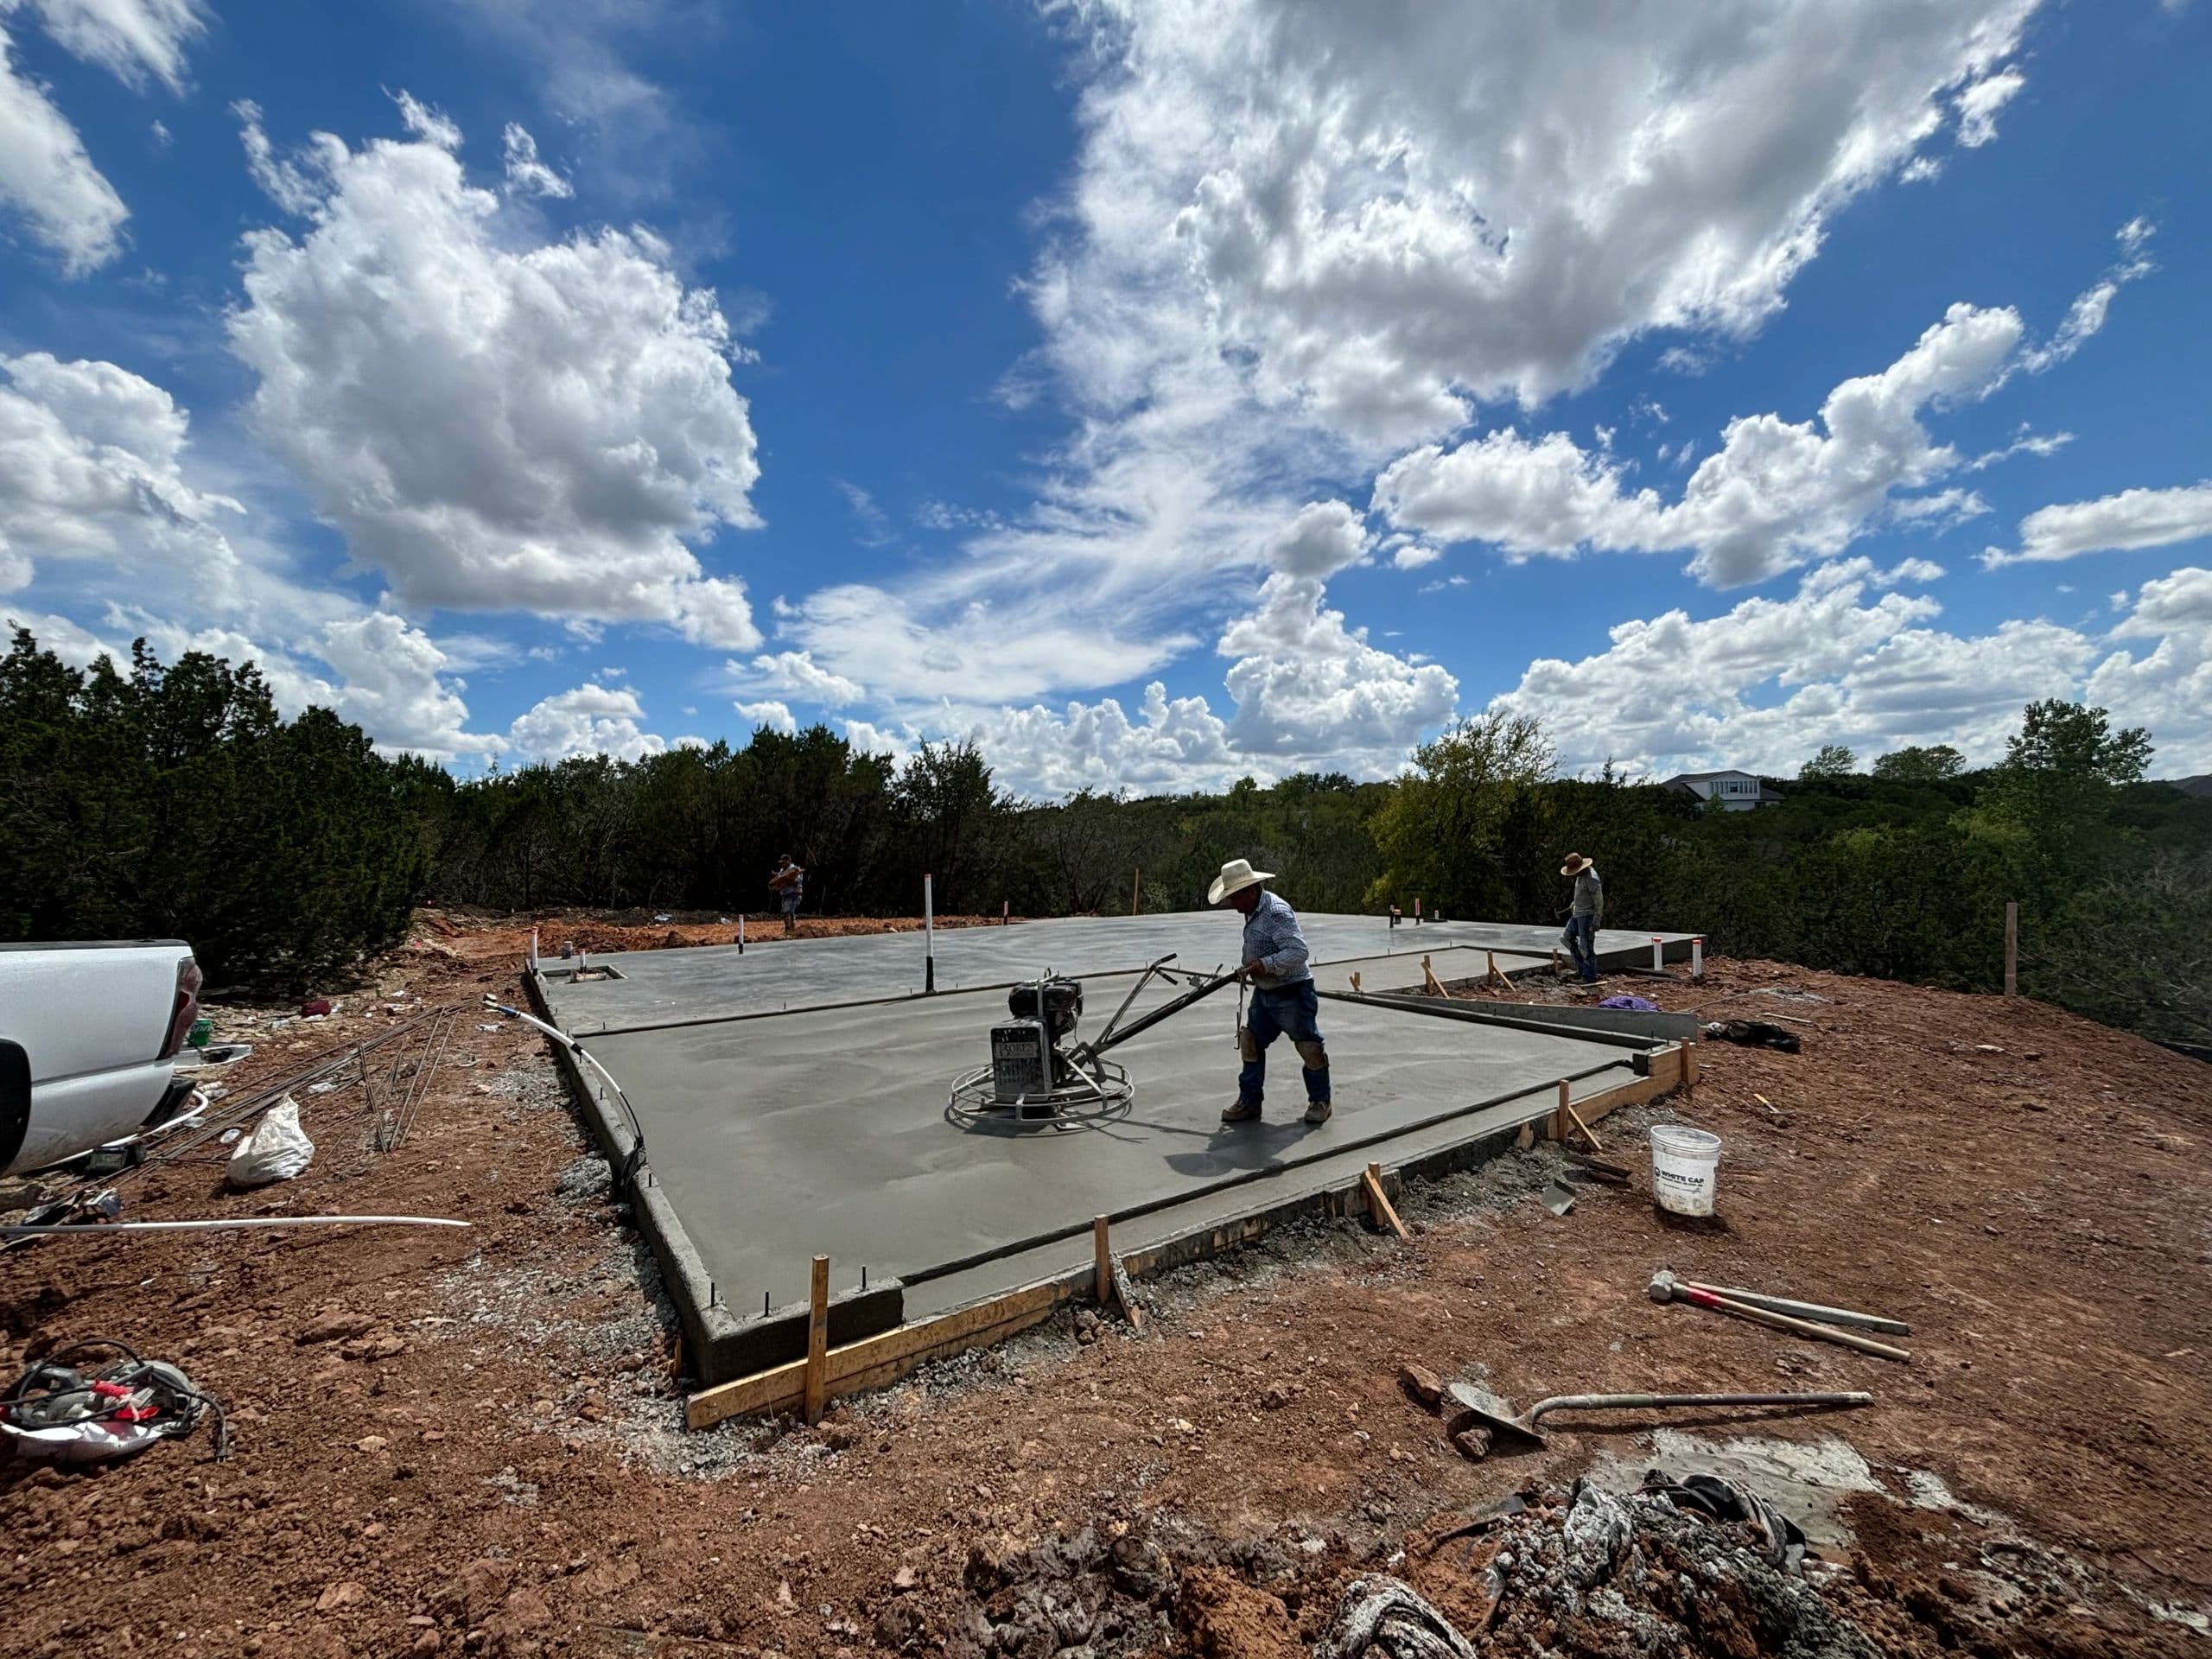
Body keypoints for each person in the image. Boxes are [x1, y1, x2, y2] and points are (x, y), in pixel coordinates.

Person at [1208, 857, 1331, 1126]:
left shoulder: (1276, 913)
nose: (1232, 905)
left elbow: (1299, 952)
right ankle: (1250, 1102)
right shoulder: (1251, 911)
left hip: (1293, 992)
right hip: (1265, 992)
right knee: (1250, 1042)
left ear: (1250, 892)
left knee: (1309, 1047)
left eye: (1235, 899)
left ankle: (1321, 1101)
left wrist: (1265, 965)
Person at [1559, 852, 1602, 983]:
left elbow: (1599, 899)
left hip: (1587, 915)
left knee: (1586, 946)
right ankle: (1581, 968)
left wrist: (1597, 918)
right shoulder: (1580, 876)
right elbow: (1582, 893)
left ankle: (1589, 976)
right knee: (1566, 938)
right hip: (1578, 913)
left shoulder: (1591, 878)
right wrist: (1575, 902)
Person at [769, 854, 805, 936]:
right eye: (781, 863)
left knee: (787, 911)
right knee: (789, 912)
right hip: (785, 894)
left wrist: (786, 879)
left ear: (789, 861)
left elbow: (796, 882)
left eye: (784, 862)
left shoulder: (795, 869)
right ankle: (792, 929)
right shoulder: (782, 870)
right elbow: (779, 880)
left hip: (794, 894)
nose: (782, 864)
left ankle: (788, 930)